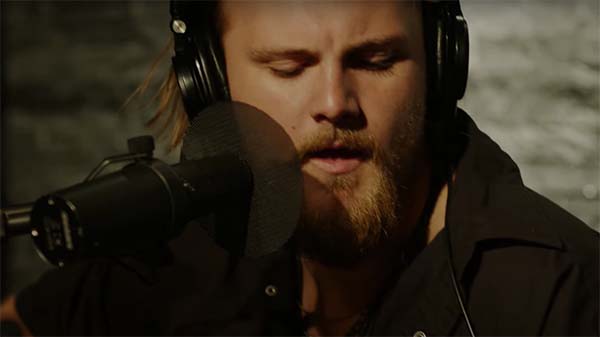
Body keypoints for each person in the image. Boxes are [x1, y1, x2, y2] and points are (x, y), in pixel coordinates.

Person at [1, 1, 598, 336]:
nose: (335, 102)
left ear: (440, 72)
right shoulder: (177, 253)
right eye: (289, 67)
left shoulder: (561, 299)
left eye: (376, 59)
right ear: (210, 83)